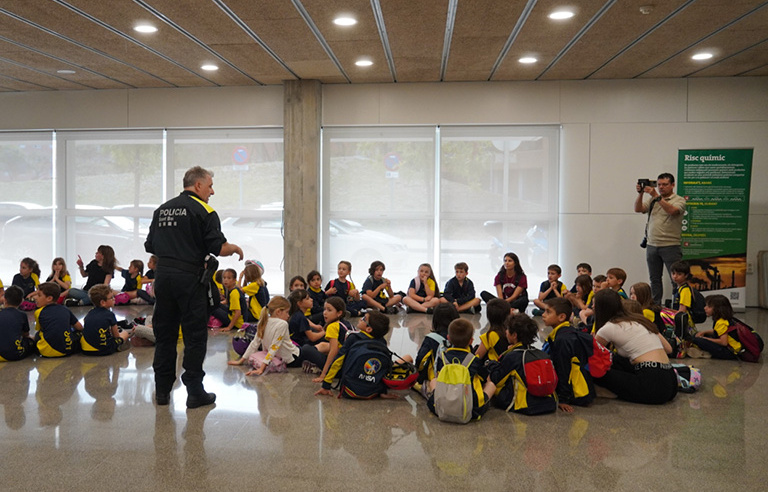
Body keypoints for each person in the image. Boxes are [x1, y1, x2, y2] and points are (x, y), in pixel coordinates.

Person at [145, 165, 243, 409]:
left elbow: (150, 245)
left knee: (165, 335)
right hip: (190, 280)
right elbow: (217, 247)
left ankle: (162, 390)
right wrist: (235, 248)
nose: (212, 191)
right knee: (194, 336)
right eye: (210, 186)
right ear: (198, 185)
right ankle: (195, 392)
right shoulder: (204, 210)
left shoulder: (162, 210)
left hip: (164, 279)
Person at [592, 289, 678, 404]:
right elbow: (668, 349)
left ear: (600, 308)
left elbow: (591, 354)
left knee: (596, 370)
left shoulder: (608, 328)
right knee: (617, 359)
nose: (592, 307)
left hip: (652, 385)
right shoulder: (639, 320)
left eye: (594, 304)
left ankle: (606, 391)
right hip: (670, 380)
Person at [228, 296, 328, 375]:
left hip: (286, 354)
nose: (288, 315)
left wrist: (241, 360)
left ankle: (315, 362)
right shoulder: (282, 324)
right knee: (318, 346)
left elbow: (255, 343)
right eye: (287, 312)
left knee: (316, 347)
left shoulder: (263, 321)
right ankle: (329, 366)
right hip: (293, 358)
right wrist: (262, 368)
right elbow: (274, 347)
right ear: (278, 311)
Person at [315, 311, 397, 399]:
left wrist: (326, 385)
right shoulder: (382, 341)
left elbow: (338, 361)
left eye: (363, 319)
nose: (360, 319)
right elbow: (384, 369)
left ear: (368, 329)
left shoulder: (353, 338)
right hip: (374, 391)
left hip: (350, 389)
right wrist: (383, 390)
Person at [425, 319, 496, 421]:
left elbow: (438, 376)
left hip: (441, 408)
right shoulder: (473, 360)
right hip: (471, 409)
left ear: (448, 338)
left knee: (433, 381)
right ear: (471, 341)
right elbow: (484, 377)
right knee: (491, 385)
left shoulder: (442, 357)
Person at [489, 313, 557, 415]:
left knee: (490, 382)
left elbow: (497, 379)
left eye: (507, 329)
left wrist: (491, 364)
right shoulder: (540, 353)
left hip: (525, 405)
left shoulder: (513, 356)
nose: (506, 332)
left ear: (514, 335)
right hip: (549, 403)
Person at [635, 173, 686, 305]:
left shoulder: (679, 200)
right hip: (652, 245)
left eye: (665, 184)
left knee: (676, 279)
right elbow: (638, 209)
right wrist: (640, 194)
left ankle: (677, 307)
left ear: (673, 185)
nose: (661, 187)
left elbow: (673, 211)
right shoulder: (653, 200)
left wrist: (656, 196)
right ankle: (655, 307)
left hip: (671, 245)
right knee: (655, 280)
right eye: (659, 185)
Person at [541, 297, 596, 412]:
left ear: (561, 317)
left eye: (548, 312)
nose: (543, 315)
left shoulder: (563, 339)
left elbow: (564, 369)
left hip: (576, 393)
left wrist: (563, 399)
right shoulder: (565, 331)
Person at [34, 282, 83, 357]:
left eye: (39, 295)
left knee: (37, 335)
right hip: (68, 350)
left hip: (46, 352)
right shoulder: (65, 309)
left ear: (49, 298)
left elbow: (40, 329)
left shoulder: (38, 312)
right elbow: (80, 327)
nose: (35, 297)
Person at [414, 303, 459, 386]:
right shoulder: (461, 336)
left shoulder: (431, 339)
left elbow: (421, 359)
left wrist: (418, 373)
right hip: (459, 376)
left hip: (436, 377)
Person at [81, 285, 131, 355]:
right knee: (125, 334)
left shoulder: (90, 312)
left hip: (86, 349)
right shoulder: (110, 315)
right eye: (111, 298)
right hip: (103, 350)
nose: (114, 299)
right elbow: (116, 336)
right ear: (103, 302)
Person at [313, 297, 354, 383]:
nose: (325, 313)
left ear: (339, 313)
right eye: (324, 309)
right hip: (350, 364)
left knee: (306, 349)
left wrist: (324, 375)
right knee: (323, 344)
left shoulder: (332, 326)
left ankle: (317, 366)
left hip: (340, 368)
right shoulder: (347, 323)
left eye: (329, 310)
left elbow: (334, 351)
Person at [688, 295, 741, 360]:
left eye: (709, 306)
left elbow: (724, 342)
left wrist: (705, 339)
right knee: (699, 335)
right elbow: (717, 331)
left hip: (730, 352)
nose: (705, 308)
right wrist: (704, 332)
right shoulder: (723, 319)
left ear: (717, 309)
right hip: (729, 348)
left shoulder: (721, 322)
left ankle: (706, 353)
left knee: (697, 340)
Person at [0, 285, 34, 361]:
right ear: (22, 301)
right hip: (15, 355)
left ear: (4, 300)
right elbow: (26, 334)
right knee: (32, 341)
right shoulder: (22, 315)